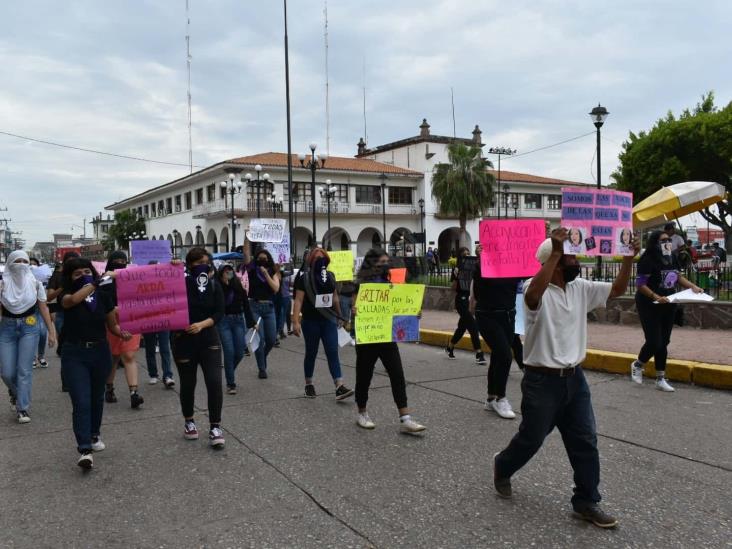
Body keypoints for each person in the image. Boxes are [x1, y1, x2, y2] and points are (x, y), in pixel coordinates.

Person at [493, 228, 640, 529]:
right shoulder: (533, 290)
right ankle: (503, 465)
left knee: (585, 440)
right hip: (541, 382)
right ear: (555, 262)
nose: (577, 262)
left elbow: (616, 290)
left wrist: (627, 258)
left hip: (575, 379)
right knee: (531, 439)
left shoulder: (580, 288)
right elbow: (534, 296)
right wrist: (557, 250)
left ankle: (587, 501)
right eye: (570, 258)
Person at [59, 257, 130, 469]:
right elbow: (73, 301)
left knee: (96, 398)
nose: (83, 275)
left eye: (86, 271)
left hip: (100, 352)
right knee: (81, 401)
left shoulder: (104, 296)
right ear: (70, 277)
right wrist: (95, 282)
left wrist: (121, 332)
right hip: (75, 354)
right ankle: (84, 449)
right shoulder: (67, 295)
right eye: (77, 273)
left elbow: (112, 326)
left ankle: (94, 434)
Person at [351, 249, 425, 434]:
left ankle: (405, 417)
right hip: (368, 337)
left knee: (397, 374)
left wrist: (412, 313)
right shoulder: (360, 285)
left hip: (386, 336)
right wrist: (355, 311)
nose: (386, 265)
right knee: (364, 375)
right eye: (381, 262)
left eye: (387, 261)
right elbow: (355, 308)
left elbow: (400, 306)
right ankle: (362, 412)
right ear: (372, 263)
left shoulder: (391, 283)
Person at [631, 230, 703, 392]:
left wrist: (693, 287)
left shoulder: (672, 258)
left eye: (669, 240)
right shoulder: (647, 259)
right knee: (654, 341)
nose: (667, 243)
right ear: (655, 243)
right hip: (649, 303)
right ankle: (638, 364)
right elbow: (641, 284)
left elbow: (678, 277)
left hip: (669, 302)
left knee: (664, 341)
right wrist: (655, 296)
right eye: (663, 240)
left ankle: (660, 378)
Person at [171, 247, 226, 448]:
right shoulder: (181, 282)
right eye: (195, 263)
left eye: (204, 262)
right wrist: (172, 270)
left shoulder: (214, 285)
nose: (200, 266)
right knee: (188, 383)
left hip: (208, 338)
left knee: (214, 382)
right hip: (183, 339)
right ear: (189, 265)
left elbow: (220, 312)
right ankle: (189, 421)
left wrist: (202, 324)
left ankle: (215, 426)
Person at [0, 251, 57, 423]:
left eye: (25, 261)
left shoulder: (35, 284)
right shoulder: (2, 285)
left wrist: (51, 331)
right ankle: (15, 393)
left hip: (29, 328)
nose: (21, 264)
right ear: (10, 263)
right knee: (7, 372)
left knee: (24, 370)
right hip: (6, 329)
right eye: (17, 261)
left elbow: (44, 307)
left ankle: (22, 408)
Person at [291, 247, 354, 400]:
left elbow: (335, 298)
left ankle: (339, 386)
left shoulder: (330, 276)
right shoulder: (304, 277)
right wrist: (295, 321)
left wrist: (340, 315)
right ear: (311, 260)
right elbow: (298, 299)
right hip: (311, 321)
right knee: (311, 353)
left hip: (328, 320)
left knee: (332, 351)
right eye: (317, 257)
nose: (320, 260)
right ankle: (309, 384)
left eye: (323, 257)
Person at [469, 249, 521, 419]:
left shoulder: (515, 266)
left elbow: (532, 272)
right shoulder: (483, 268)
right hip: (487, 316)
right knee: (505, 356)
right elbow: (477, 289)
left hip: (508, 315)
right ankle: (501, 398)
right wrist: (482, 260)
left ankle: (491, 398)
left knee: (499, 356)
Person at [101, 251, 144, 409]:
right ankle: (109, 388)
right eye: (116, 260)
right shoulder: (105, 279)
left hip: (131, 319)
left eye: (123, 260)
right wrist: (115, 309)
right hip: (111, 320)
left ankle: (134, 393)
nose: (120, 263)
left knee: (129, 355)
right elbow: (102, 298)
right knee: (113, 357)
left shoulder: (133, 277)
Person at [241, 246, 280, 379]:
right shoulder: (252, 269)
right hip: (254, 306)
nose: (262, 260)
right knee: (260, 338)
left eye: (265, 258)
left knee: (271, 339)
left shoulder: (272, 272)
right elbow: (246, 254)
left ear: (269, 259)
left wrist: (266, 274)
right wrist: (247, 238)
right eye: (260, 258)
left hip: (268, 307)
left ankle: (262, 357)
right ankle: (262, 369)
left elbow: (275, 288)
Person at [216, 263, 254, 395]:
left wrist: (252, 322)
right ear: (220, 274)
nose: (228, 273)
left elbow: (246, 304)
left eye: (230, 271)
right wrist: (224, 285)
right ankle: (231, 383)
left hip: (238, 321)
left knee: (239, 351)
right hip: (224, 322)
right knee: (229, 352)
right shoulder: (217, 286)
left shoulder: (238, 286)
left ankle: (229, 369)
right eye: (225, 272)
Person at [445, 247, 485, 364]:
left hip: (471, 299)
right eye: (464, 255)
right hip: (461, 300)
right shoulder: (456, 269)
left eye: (468, 254)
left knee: (462, 326)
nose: (466, 256)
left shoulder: (474, 268)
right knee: (473, 325)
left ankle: (450, 347)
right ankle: (479, 353)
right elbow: (453, 289)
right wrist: (457, 277)